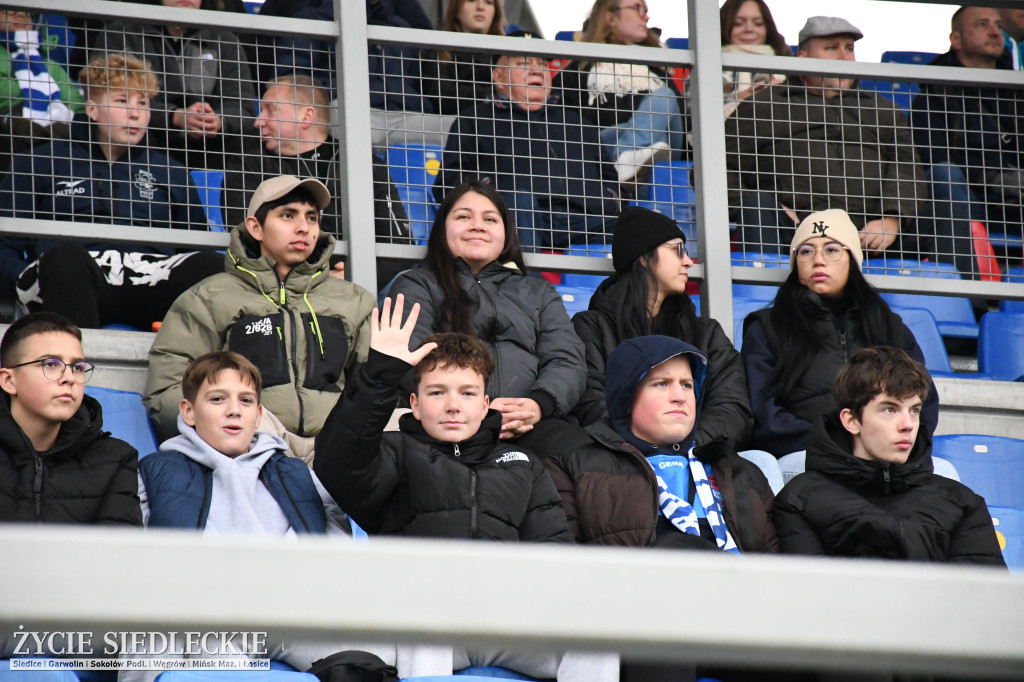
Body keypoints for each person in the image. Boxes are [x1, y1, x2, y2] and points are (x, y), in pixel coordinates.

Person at [314, 296, 615, 682]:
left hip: (506, 625)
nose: (453, 405)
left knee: (598, 634)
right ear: (415, 404)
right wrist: (378, 375)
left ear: (486, 403)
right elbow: (337, 462)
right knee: (427, 617)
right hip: (421, 625)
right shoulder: (394, 453)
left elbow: (552, 558)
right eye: (437, 392)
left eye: (467, 393)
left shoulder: (522, 464)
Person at [132, 351, 396, 679]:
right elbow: (140, 563)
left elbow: (335, 540)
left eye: (245, 401)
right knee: (217, 660)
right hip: (213, 616)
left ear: (258, 415)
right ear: (188, 411)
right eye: (217, 399)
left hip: (293, 611)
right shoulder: (156, 471)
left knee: (373, 657)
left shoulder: (296, 472)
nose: (233, 410)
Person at [144, 176, 375, 463]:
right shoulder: (207, 298)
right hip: (253, 443)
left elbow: (376, 387)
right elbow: (167, 391)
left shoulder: (356, 300)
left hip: (335, 443)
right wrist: (230, 422)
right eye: (288, 215)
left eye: (312, 218)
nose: (304, 227)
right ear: (256, 227)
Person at [0, 52, 220, 330]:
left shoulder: (172, 172)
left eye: (143, 103)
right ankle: (74, 366)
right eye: (122, 101)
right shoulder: (38, 162)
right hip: (72, 279)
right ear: (92, 109)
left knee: (211, 265)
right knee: (64, 258)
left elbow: (197, 246)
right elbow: (4, 245)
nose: (136, 113)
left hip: (148, 277)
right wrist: (22, 278)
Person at [389, 181, 586, 449]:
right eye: (463, 217)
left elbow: (566, 359)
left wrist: (536, 405)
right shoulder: (417, 285)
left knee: (585, 456)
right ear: (442, 229)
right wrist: (475, 408)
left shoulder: (539, 292)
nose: (477, 225)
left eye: (490, 219)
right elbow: (410, 359)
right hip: (451, 428)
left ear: (506, 233)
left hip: (532, 425)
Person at [774, 346, 1006, 566]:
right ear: (852, 420)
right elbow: (810, 596)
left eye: (914, 410)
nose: (907, 425)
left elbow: (982, 598)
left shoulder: (962, 502)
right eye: (889, 410)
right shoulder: (800, 499)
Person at [546, 333, 778, 552]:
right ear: (626, 398)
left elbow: (779, 572)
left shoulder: (740, 471)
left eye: (687, 385)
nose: (680, 396)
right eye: (662, 383)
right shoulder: (572, 469)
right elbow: (567, 571)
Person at [724, 16, 927, 263]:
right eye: (832, 48)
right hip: (791, 237)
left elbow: (907, 169)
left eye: (849, 48)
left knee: (943, 189)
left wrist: (891, 219)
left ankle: (975, 301)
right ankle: (763, 296)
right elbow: (718, 169)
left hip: (872, 237)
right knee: (757, 204)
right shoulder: (763, 106)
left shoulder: (883, 110)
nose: (844, 57)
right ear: (803, 58)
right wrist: (772, 208)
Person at [741, 209, 939, 458]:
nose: (818, 260)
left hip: (881, 456)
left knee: (945, 473)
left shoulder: (888, 326)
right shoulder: (767, 327)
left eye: (832, 249)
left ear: (852, 260)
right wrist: (835, 444)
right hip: (804, 455)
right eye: (806, 251)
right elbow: (763, 414)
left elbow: (923, 401)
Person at [570, 206, 753, 449]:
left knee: (761, 461)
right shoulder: (591, 328)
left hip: (696, 456)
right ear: (644, 257)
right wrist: (645, 443)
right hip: (622, 458)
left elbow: (732, 409)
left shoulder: (706, 333)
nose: (688, 261)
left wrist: (681, 445)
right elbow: (590, 403)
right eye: (677, 250)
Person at [434, 33, 621, 249]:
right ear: (498, 77)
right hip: (516, 217)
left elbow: (613, 184)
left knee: (641, 225)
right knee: (520, 202)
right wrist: (494, 194)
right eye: (523, 63)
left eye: (542, 63)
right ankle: (527, 283)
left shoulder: (579, 124)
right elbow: (448, 184)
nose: (536, 69)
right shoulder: (474, 120)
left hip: (581, 219)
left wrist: (605, 200)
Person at [222, 75, 411, 283]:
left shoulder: (362, 165)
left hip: (352, 289)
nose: (258, 122)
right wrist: (312, 281)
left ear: (306, 115)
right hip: (272, 290)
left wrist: (354, 277)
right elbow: (244, 242)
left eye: (270, 110)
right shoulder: (247, 165)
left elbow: (398, 245)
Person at [0, 312, 141, 525]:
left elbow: (118, 554)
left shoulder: (115, 459)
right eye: (50, 364)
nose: (69, 378)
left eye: (78, 367)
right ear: (9, 380)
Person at [910, 6, 1023, 257]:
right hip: (974, 201)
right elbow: (936, 165)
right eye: (982, 25)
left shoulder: (1018, 91)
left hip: (1018, 201)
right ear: (956, 39)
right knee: (944, 175)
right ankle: (968, 293)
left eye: (999, 26)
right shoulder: (933, 97)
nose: (995, 33)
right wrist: (995, 178)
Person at [92, 0, 257, 171]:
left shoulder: (225, 40)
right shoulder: (121, 34)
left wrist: (217, 120)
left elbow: (242, 106)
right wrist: (175, 117)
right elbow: (110, 98)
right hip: (148, 140)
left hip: (209, 146)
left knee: (257, 137)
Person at [554, 0, 685, 185]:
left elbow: (681, 123)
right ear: (609, 17)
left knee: (663, 99)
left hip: (663, 154)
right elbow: (570, 128)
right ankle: (629, 160)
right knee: (644, 140)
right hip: (601, 153)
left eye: (646, 10)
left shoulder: (658, 72)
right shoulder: (577, 72)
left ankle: (626, 154)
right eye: (636, 8)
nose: (645, 16)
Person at [0, 10, 84, 175]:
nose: (21, 16)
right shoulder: (49, 69)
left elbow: (77, 106)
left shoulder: (49, 64)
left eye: (28, 13)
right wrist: (45, 87)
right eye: (9, 11)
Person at [419, 0, 506, 116]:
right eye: (471, 0)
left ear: (495, 13)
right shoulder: (437, 53)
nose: (480, 7)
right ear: (456, 10)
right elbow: (441, 95)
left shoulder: (509, 56)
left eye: (488, 2)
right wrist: (489, 96)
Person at [717, 0, 789, 118]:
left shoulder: (788, 65)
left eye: (758, 23)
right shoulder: (708, 64)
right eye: (738, 23)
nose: (749, 29)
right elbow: (691, 109)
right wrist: (742, 98)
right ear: (723, 26)